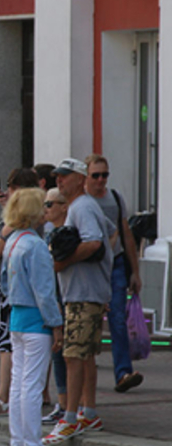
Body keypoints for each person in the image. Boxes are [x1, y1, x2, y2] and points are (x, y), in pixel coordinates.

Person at [43, 158, 114, 445]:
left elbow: (95, 241)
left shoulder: (82, 206)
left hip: (84, 293)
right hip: (87, 290)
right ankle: (89, 411)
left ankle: (70, 418)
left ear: (79, 178)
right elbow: (111, 231)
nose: (59, 181)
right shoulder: (83, 206)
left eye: (64, 176)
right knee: (84, 355)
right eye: (57, 177)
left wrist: (64, 261)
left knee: (72, 355)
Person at [0, 188, 65, 446]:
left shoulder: (12, 241)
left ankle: (18, 442)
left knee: (18, 383)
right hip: (36, 321)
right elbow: (44, 292)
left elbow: (4, 282)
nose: (46, 210)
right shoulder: (36, 245)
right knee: (32, 384)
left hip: (16, 317)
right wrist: (56, 323)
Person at [0, 167, 41, 418]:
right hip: (13, 285)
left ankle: (2, 397)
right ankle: (23, 398)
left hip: (8, 288)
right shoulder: (33, 218)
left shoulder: (17, 222)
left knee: (7, 344)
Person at [84, 154, 144, 393]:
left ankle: (123, 373)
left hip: (116, 264)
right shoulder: (82, 201)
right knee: (91, 321)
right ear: (86, 177)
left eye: (104, 175)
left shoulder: (115, 198)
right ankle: (86, 373)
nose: (101, 180)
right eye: (95, 175)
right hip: (90, 267)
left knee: (118, 320)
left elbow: (127, 234)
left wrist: (135, 271)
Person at [41, 187, 70, 425]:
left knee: (67, 352)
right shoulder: (49, 233)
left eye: (50, 204)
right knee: (58, 353)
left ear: (64, 206)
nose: (46, 208)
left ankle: (70, 404)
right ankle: (63, 403)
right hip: (56, 294)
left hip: (67, 295)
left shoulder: (69, 232)